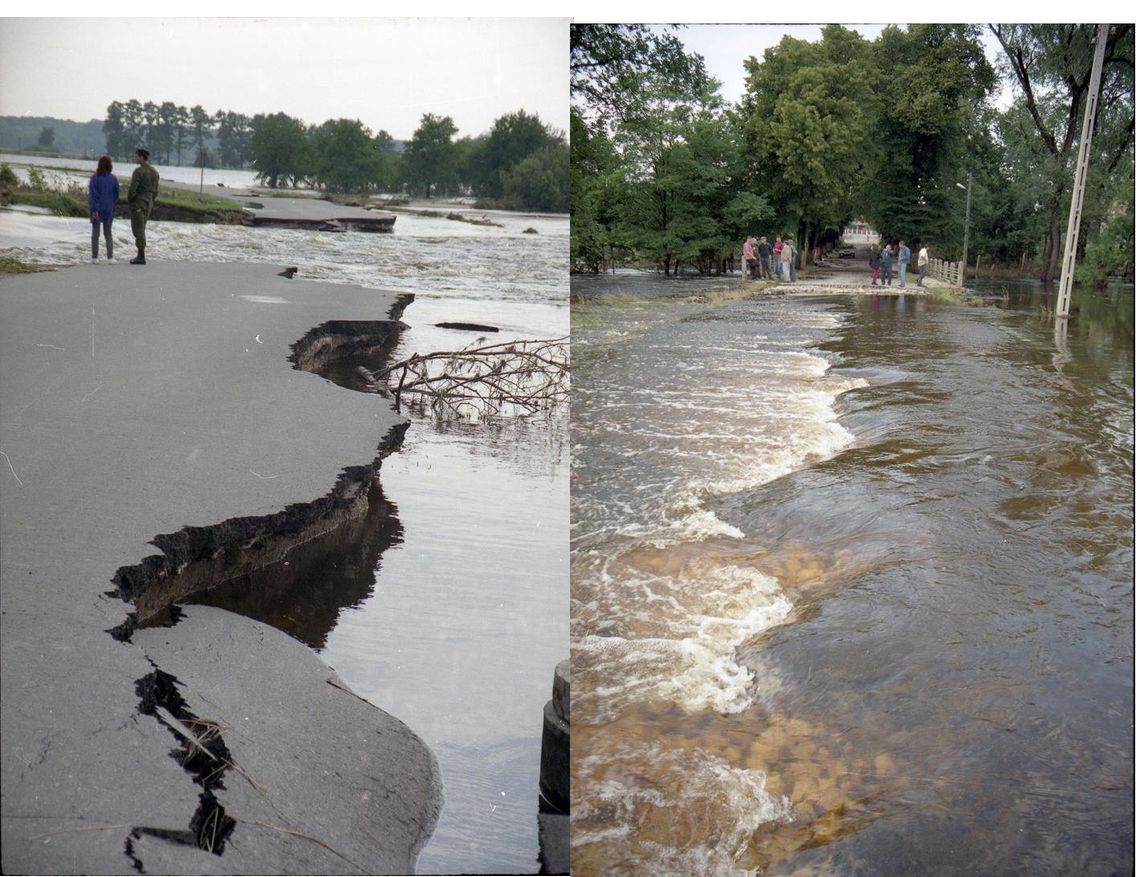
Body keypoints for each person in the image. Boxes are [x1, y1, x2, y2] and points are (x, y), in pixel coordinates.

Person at [127, 147, 160, 265]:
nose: (135, 158)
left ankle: (141, 255)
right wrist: (151, 201)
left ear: (141, 157)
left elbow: (132, 190)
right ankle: (141, 254)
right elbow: (156, 191)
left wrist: (130, 200)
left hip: (139, 202)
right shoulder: (155, 172)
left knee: (138, 229)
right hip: (149, 202)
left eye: (136, 156)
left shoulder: (138, 171)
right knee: (142, 228)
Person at [87, 155, 119, 263]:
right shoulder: (114, 179)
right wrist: (112, 205)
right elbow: (116, 195)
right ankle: (110, 258)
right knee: (108, 234)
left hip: (97, 208)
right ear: (110, 165)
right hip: (109, 208)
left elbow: (93, 195)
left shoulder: (94, 178)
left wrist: (95, 209)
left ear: (99, 165)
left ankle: (94, 257)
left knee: (95, 234)